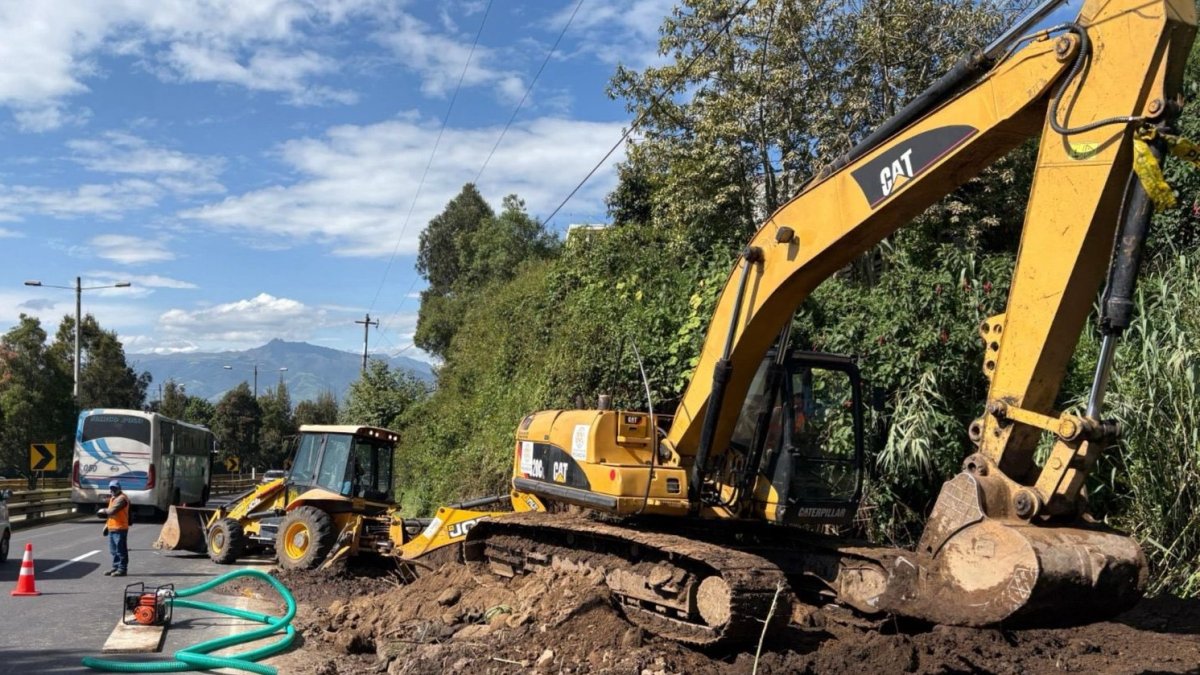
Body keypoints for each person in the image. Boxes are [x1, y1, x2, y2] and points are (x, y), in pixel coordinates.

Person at [97, 479, 130, 576]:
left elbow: (112, 511)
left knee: (121, 550)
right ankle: (115, 567)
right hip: (113, 527)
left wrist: (103, 510)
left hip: (120, 528)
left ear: (119, 488)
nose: (112, 490)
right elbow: (111, 515)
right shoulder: (113, 498)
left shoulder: (122, 499)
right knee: (113, 550)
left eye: (114, 488)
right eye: (111, 488)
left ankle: (122, 569)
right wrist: (107, 525)